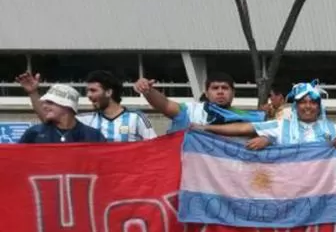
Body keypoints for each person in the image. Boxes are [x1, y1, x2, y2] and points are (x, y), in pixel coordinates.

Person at [196, 80, 336, 150]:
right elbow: (244, 128)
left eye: (312, 102)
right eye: (302, 102)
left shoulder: (331, 129)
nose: (307, 106)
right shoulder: (281, 125)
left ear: (319, 107)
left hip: (320, 195)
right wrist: (207, 128)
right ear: (295, 106)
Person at [16, 70, 156, 142]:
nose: (88, 95)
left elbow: (155, 148)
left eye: (93, 90)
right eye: (87, 91)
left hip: (129, 181)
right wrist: (33, 93)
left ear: (108, 92)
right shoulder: (86, 119)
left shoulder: (136, 118)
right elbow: (51, 119)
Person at [134, 72, 264, 131]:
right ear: (206, 93)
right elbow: (166, 105)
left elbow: (268, 132)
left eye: (225, 88)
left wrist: (265, 139)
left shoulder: (245, 117)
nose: (220, 92)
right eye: (215, 88)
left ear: (233, 93)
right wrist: (148, 91)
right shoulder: (191, 111)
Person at [19, 84, 106, 144]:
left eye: (50, 102)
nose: (44, 106)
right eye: (45, 102)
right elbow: (17, 159)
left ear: (67, 106)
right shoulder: (34, 133)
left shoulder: (93, 136)